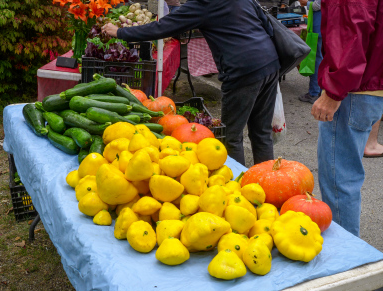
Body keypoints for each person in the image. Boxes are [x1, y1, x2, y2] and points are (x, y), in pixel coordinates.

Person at [102, 0, 280, 166]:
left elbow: (162, 27)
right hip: (271, 62)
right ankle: (267, 184)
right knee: (262, 133)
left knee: (231, 137)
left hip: (243, 70)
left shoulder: (203, 4)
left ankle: (239, 191)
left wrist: (119, 32)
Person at [311, 0, 383, 237]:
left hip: (355, 91)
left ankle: (347, 257)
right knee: (345, 177)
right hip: (369, 84)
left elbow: (350, 37)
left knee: (340, 181)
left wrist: (333, 92)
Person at [298, 0, 322, 104]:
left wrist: (306, 3)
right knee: (320, 58)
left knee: (316, 59)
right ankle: (320, 90)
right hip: (323, 26)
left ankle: (314, 93)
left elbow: (318, 5)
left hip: (318, 26)